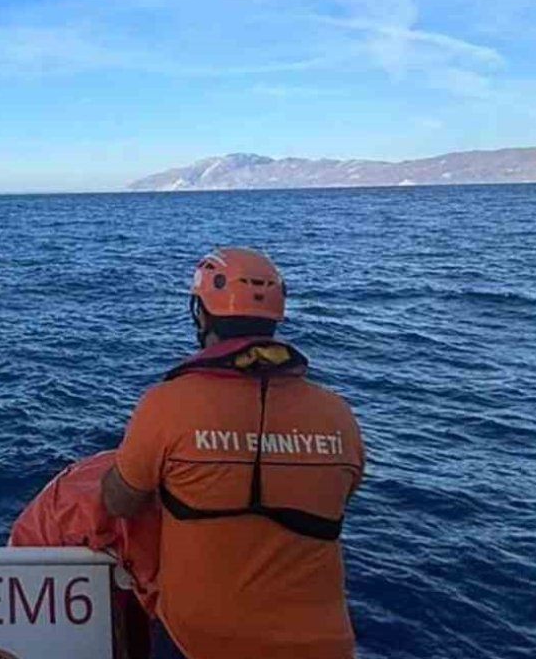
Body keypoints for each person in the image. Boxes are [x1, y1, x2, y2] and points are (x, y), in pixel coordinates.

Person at [101, 247, 365, 659]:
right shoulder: (337, 413)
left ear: (201, 315)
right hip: (323, 645)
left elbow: (119, 500)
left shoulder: (168, 404)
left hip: (199, 641)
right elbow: (340, 493)